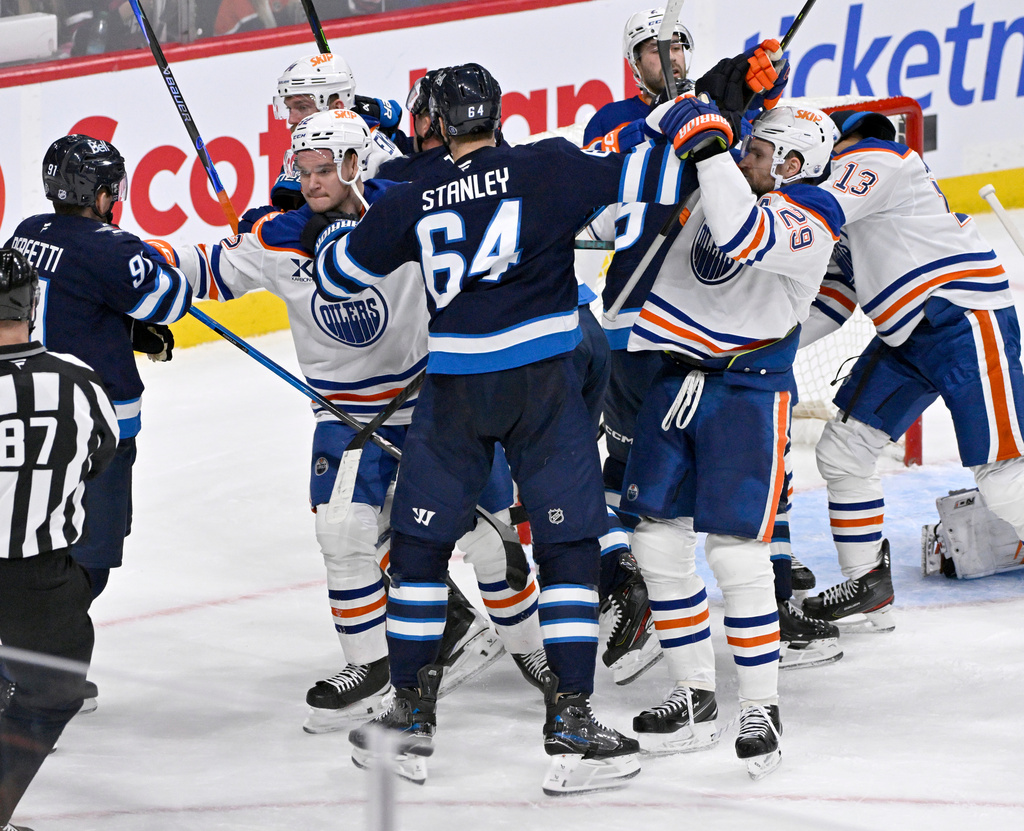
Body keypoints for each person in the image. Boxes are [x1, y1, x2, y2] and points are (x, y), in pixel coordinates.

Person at [312, 62, 707, 794]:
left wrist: (342, 229)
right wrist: (686, 116)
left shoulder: (411, 193)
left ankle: (409, 719)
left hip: (455, 392)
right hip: (543, 386)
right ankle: (572, 720)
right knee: (565, 548)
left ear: (433, 121)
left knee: (422, 551)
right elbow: (663, 178)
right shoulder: (549, 165)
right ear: (498, 114)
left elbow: (338, 274)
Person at [157, 108, 548, 734]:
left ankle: (532, 650)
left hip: (434, 404)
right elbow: (207, 270)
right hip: (345, 416)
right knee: (343, 539)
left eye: (324, 170)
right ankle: (371, 667)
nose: (312, 183)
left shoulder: (412, 214)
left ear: (354, 166)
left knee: (491, 540)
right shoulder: (280, 238)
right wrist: (134, 263)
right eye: (303, 171)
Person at [621, 99, 841, 779]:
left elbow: (741, 234)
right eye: (742, 148)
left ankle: (761, 705)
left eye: (758, 150)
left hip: (746, 396)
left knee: (740, 555)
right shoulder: (721, 180)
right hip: (672, 380)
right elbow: (640, 170)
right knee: (655, 540)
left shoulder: (811, 220)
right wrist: (675, 119)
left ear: (793, 163)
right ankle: (694, 695)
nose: (745, 156)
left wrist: (710, 148)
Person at [800, 110, 1024, 630]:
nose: (849, 149)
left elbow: (820, 204)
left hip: (962, 318)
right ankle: (867, 588)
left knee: (1005, 480)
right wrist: (765, 348)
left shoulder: (880, 160)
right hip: (909, 337)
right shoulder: (852, 225)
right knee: (843, 450)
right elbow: (834, 300)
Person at [3, 134, 190, 712]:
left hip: (25, 409)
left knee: (30, 544)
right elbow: (170, 302)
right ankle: (32, 675)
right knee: (90, 559)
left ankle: (26, 668)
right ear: (105, 192)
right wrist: (158, 262)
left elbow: (68, 303)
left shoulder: (27, 232)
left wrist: (120, 325)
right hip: (95, 423)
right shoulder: (114, 248)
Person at [0, 248, 120, 831]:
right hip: (41, 583)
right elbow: (98, 460)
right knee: (48, 699)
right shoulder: (78, 381)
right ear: (33, 303)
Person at [269, 52, 405, 211]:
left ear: (337, 108)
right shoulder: (313, 147)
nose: (291, 120)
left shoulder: (377, 159)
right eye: (289, 108)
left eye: (302, 107)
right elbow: (289, 209)